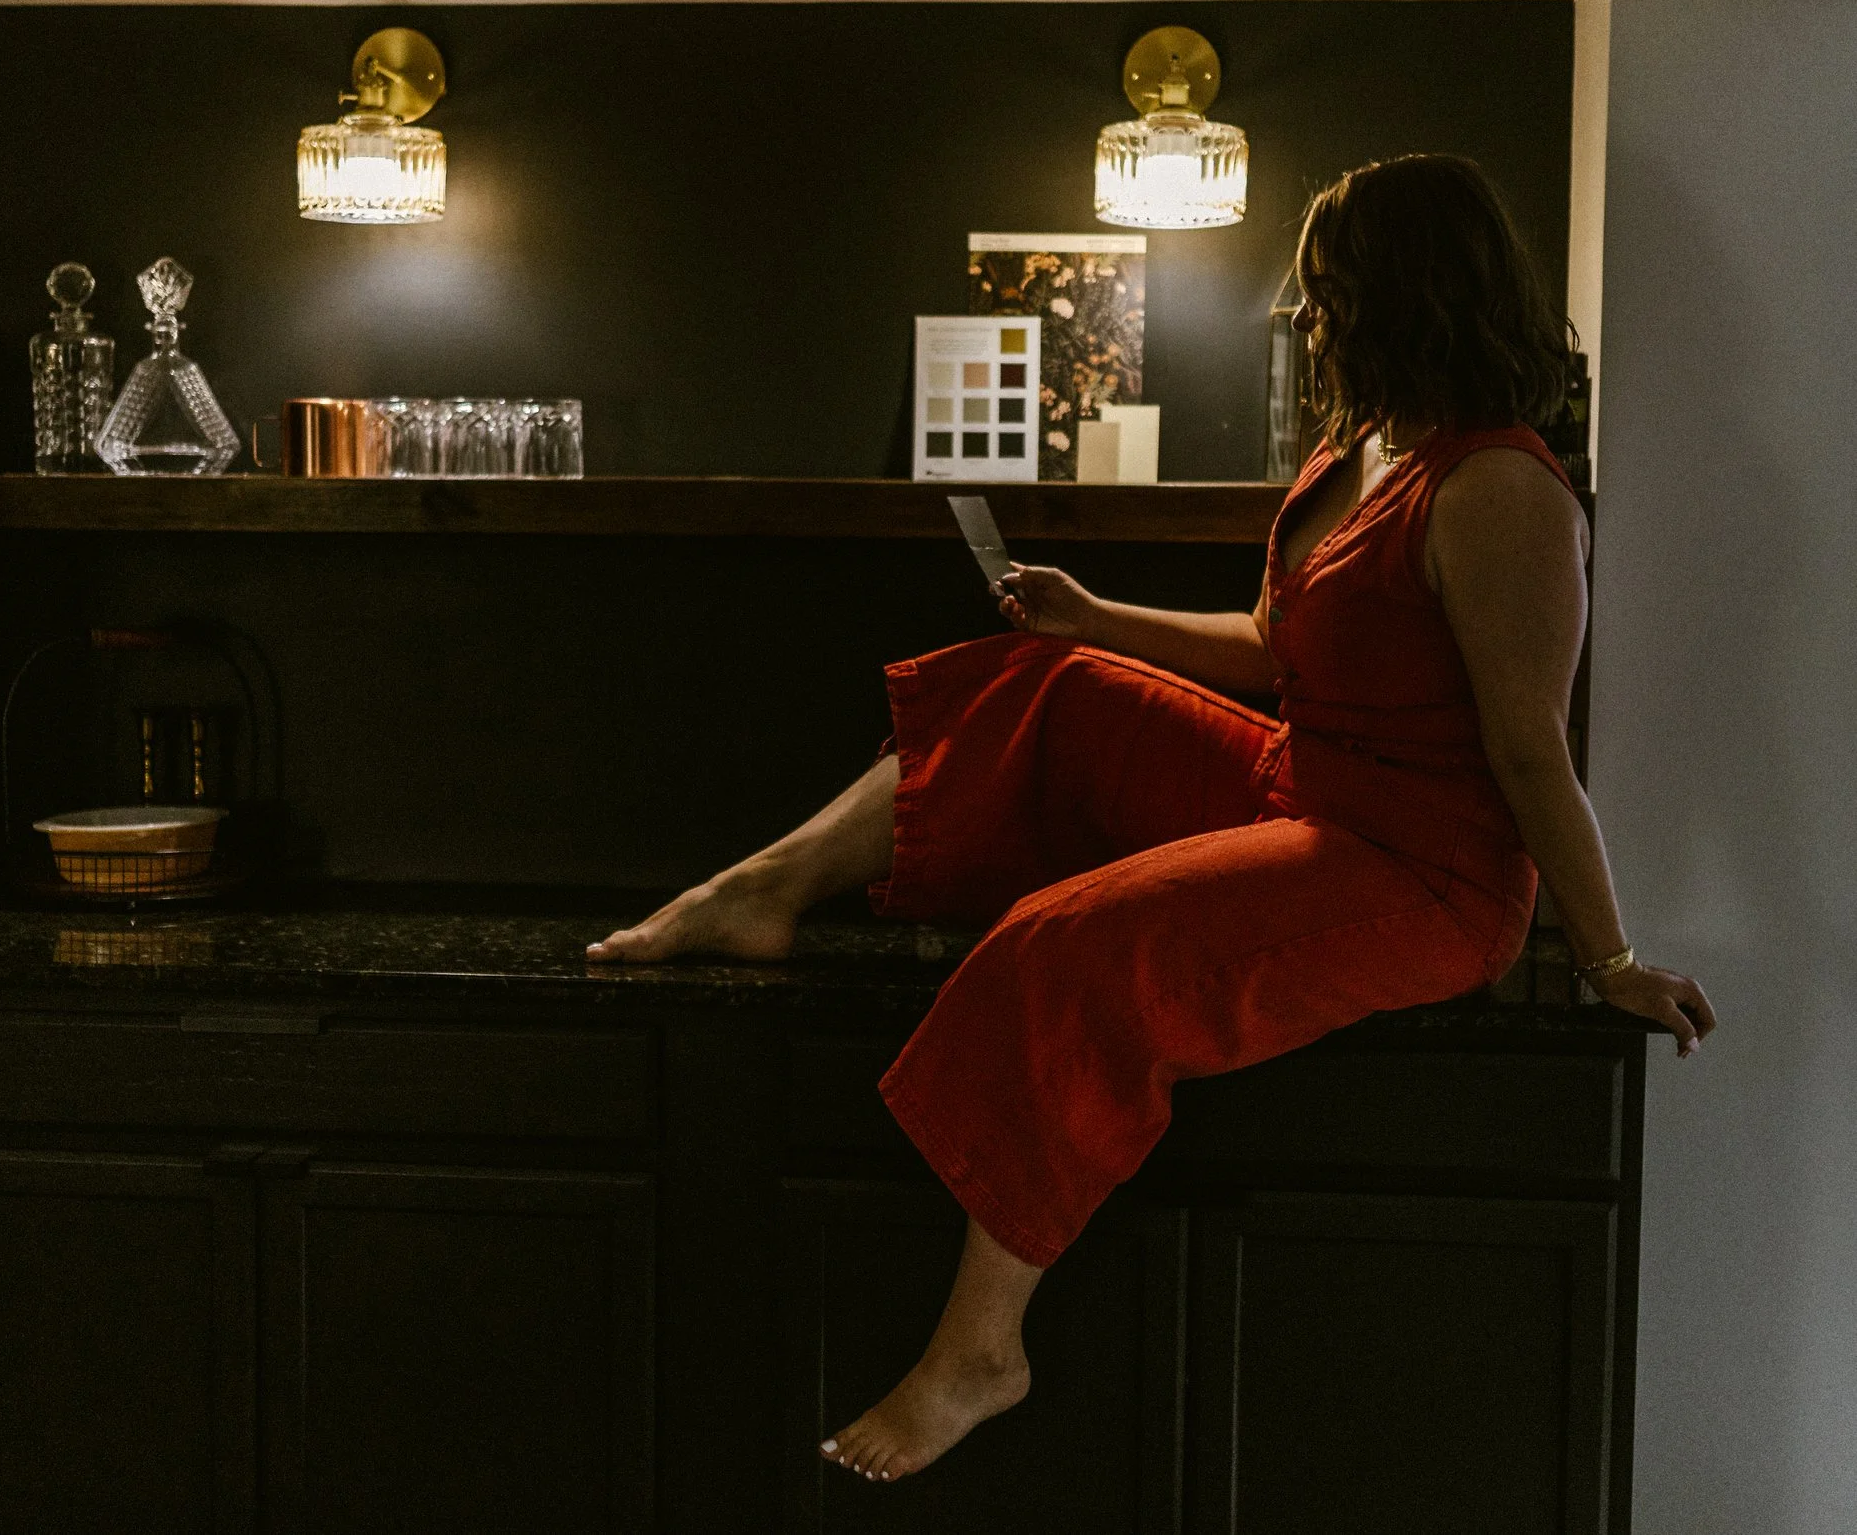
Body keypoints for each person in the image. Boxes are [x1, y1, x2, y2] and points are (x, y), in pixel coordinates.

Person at [586, 154, 1718, 1483]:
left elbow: (1531, 756)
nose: (1306, 320)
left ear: (1407, 294)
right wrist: (1095, 619)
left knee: (1065, 944)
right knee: (1047, 685)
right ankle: (764, 890)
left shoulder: (1501, 493)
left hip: (1425, 871)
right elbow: (1271, 648)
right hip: (1311, 781)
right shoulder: (1363, 454)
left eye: (1326, 293)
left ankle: (980, 1349)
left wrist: (1609, 958)